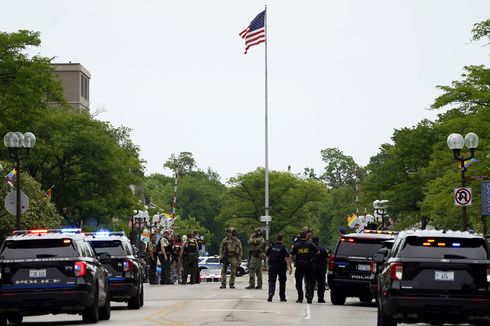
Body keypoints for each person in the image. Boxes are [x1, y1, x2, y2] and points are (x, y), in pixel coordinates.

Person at [291, 231, 316, 304]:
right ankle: (308, 295)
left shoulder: (296, 245)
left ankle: (300, 298)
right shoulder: (310, 244)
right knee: (309, 281)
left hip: (299, 265)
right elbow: (317, 251)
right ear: (305, 236)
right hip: (308, 264)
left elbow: (292, 255)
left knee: (298, 282)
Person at [266, 233, 292, 302]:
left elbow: (267, 254)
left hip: (272, 266)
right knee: (282, 282)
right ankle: (282, 297)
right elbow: (287, 257)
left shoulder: (271, 246)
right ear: (282, 239)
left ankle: (271, 293)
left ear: (276, 239)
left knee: (271, 281)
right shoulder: (283, 248)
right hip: (281, 266)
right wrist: (290, 267)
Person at [312, 236, 329, 303]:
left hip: (312, 268)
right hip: (321, 269)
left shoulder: (310, 249)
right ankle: (320, 298)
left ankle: (310, 296)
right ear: (318, 241)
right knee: (321, 284)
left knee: (311, 283)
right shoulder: (323, 249)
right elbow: (327, 260)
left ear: (312, 241)